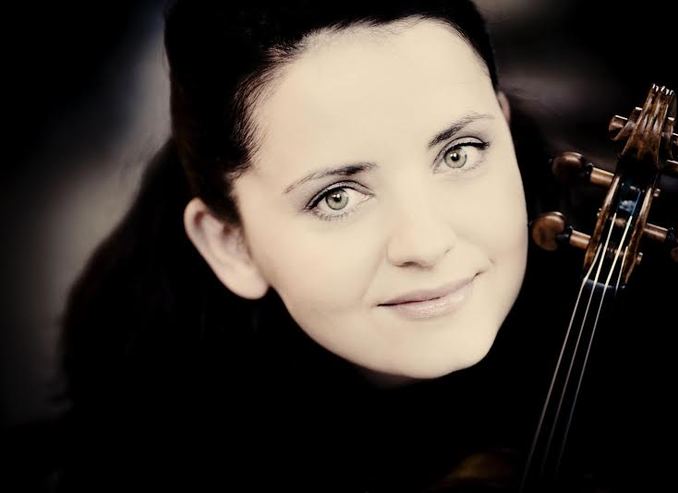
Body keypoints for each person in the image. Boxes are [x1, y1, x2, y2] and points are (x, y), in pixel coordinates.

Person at [54, 1, 558, 491]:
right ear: (233, 245)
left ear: (505, 128)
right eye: (336, 197)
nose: (426, 243)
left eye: (459, 153)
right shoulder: (147, 459)